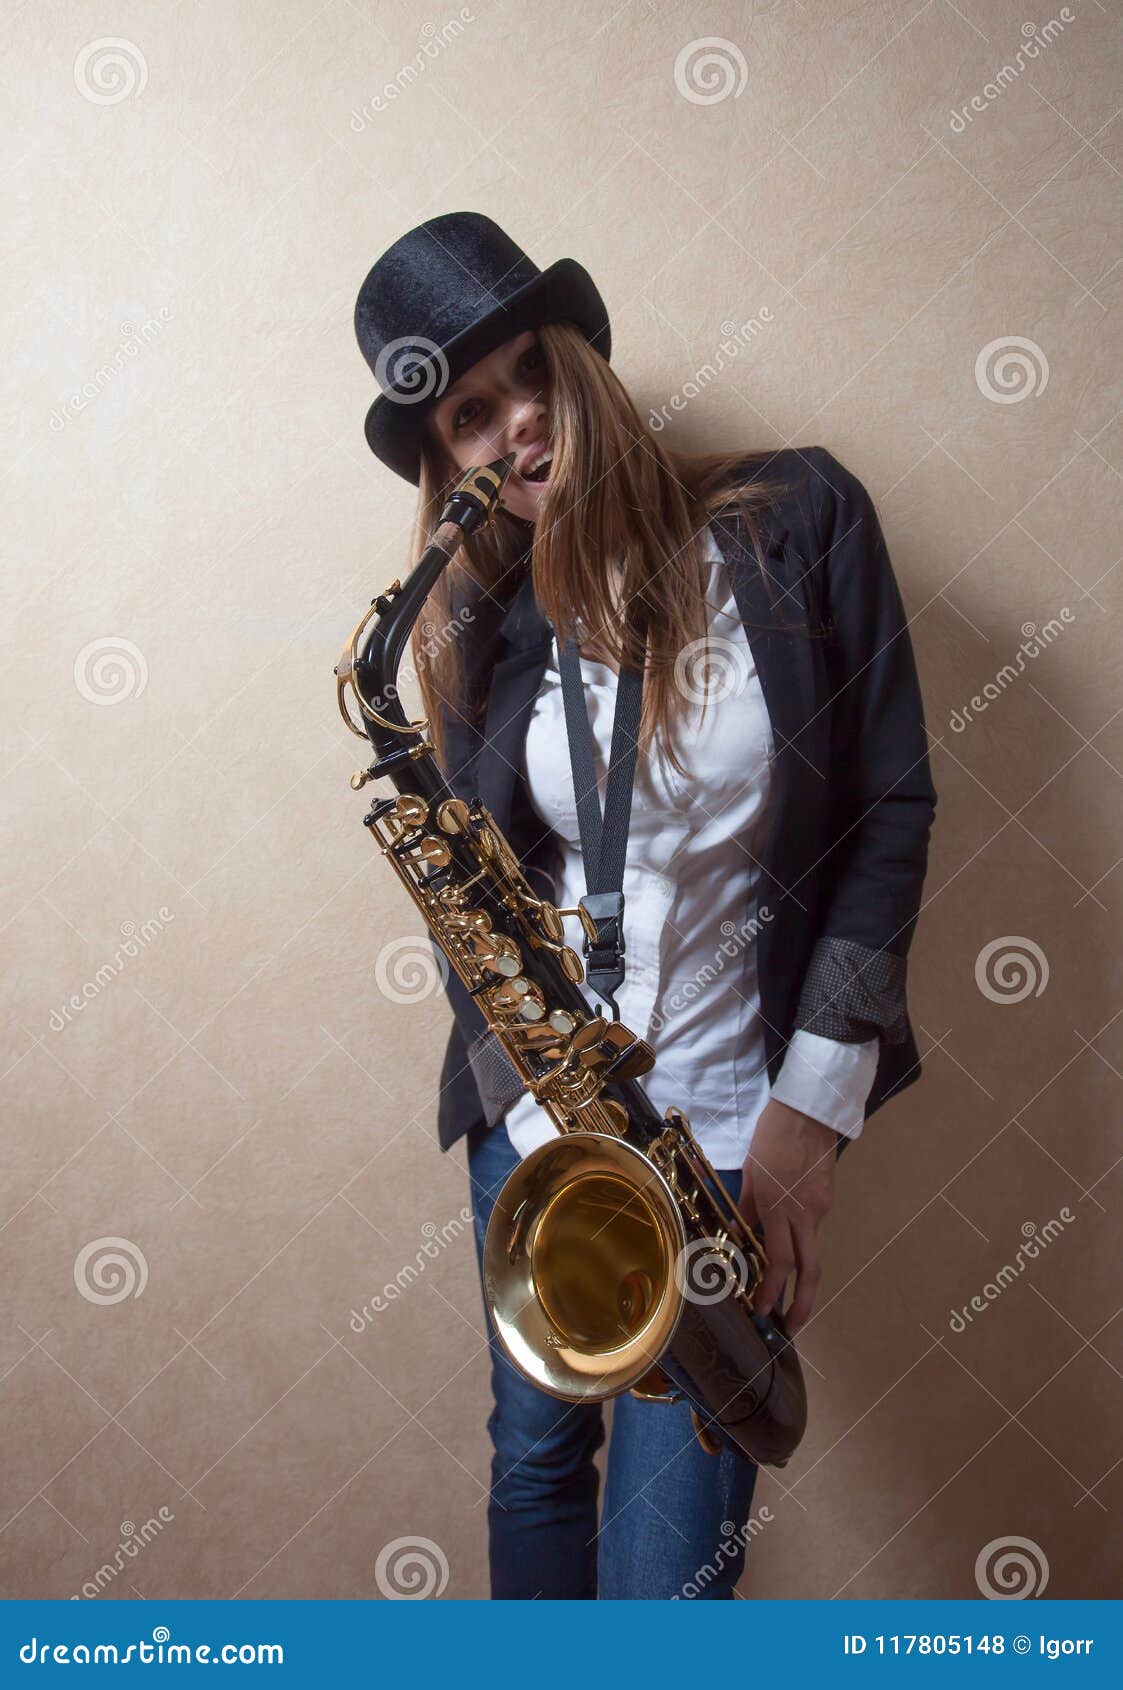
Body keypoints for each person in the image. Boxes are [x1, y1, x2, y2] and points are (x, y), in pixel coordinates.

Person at [353, 212, 937, 1600]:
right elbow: (478, 889)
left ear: (579, 360)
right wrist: (521, 1088)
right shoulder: (487, 623)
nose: (510, 429)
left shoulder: (801, 519)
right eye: (469, 418)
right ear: (450, 463)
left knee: (668, 1575)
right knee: (535, 1466)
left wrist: (811, 1113)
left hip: (732, 1132)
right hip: (546, 1134)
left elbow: (890, 813)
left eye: (521, 377)